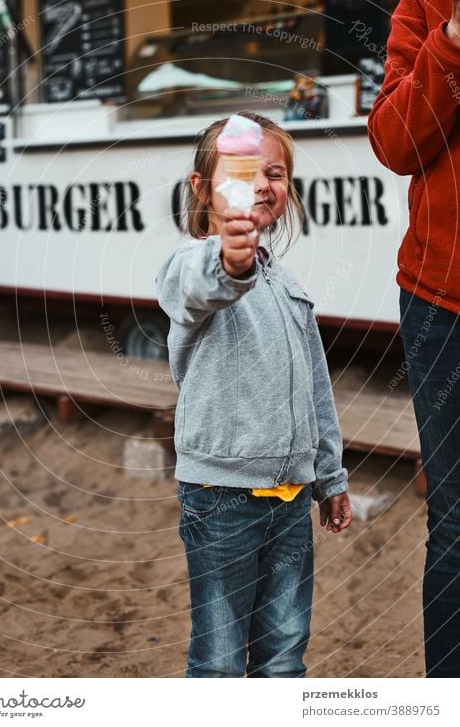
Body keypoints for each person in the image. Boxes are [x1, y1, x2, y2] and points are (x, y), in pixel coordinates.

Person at [156, 111, 351, 678]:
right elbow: (202, 283)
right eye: (243, 171)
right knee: (218, 661)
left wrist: (330, 475)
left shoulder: (288, 283)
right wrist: (229, 259)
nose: (263, 183)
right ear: (201, 188)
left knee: (285, 652)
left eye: (276, 172)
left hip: (292, 499)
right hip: (222, 499)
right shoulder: (190, 265)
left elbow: (316, 386)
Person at [368, 0, 460, 678]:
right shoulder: (425, 0)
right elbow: (394, 143)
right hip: (441, 305)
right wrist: (451, 39)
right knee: (457, 524)